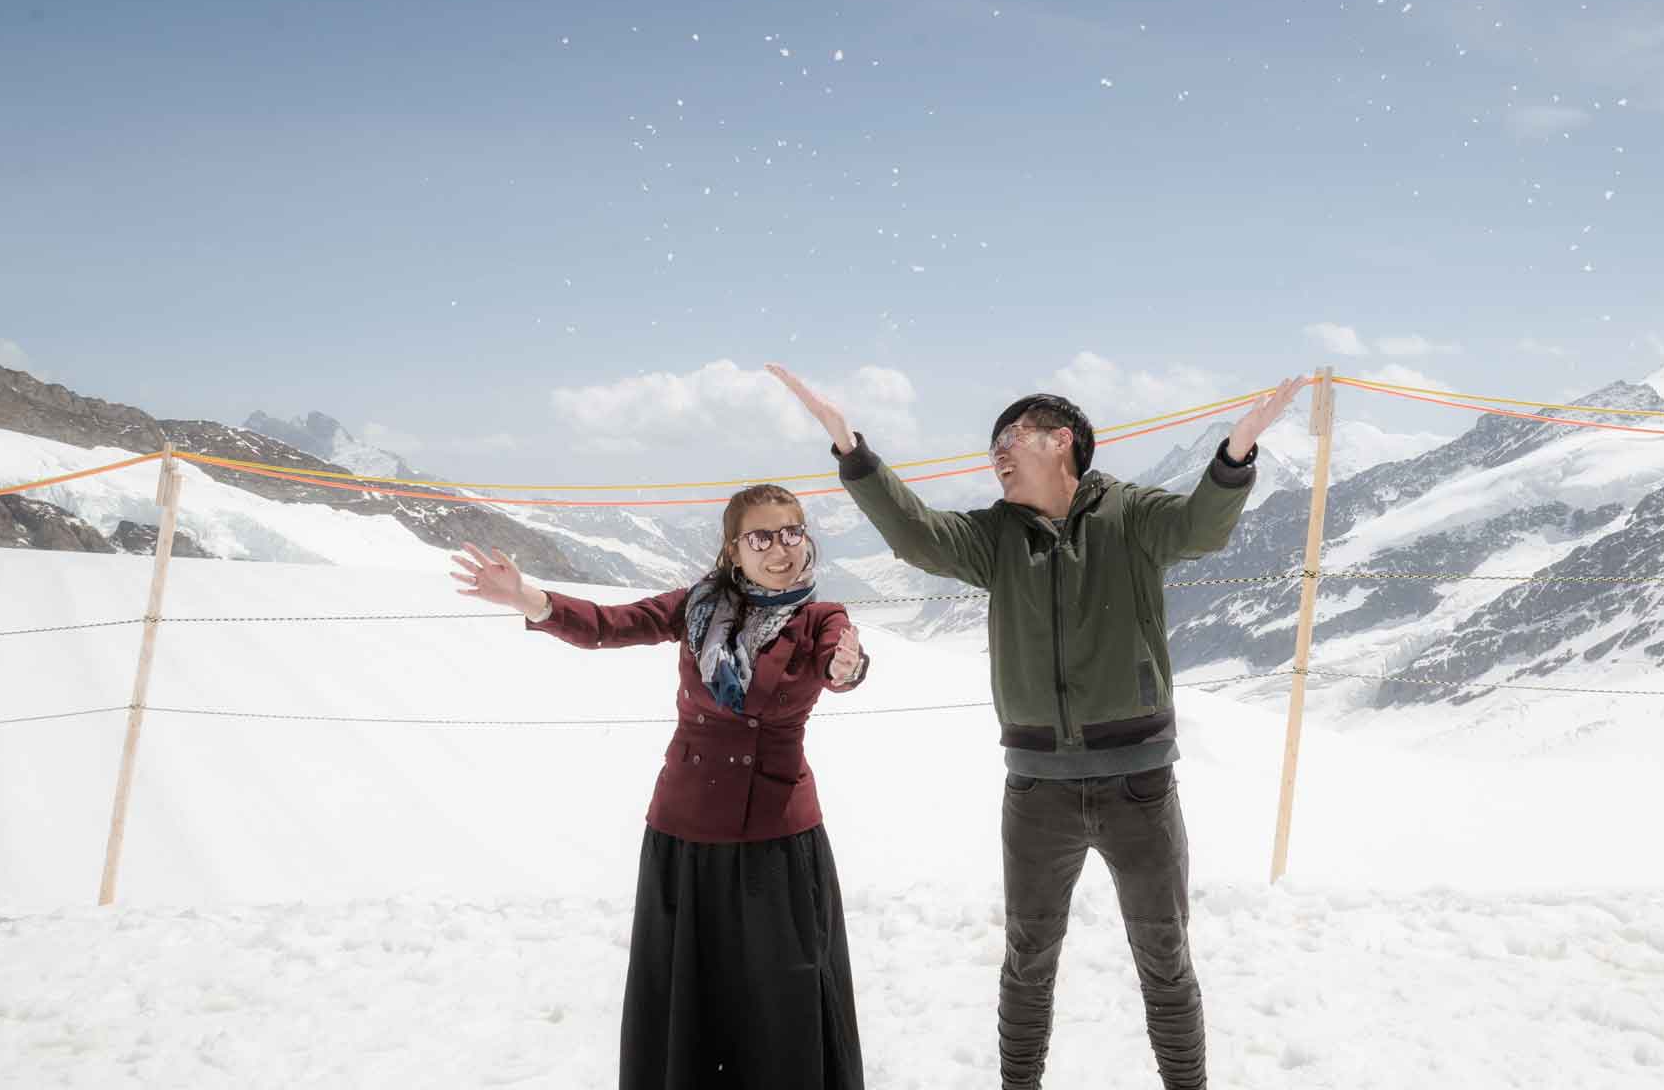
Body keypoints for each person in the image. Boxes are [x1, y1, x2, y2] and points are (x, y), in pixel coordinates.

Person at [769, 363, 1309, 1090]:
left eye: (1010, 436)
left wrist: (1235, 453)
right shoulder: (996, 537)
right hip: (1036, 791)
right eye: (992, 443)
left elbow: (1199, 529)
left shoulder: (1133, 515)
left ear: (1062, 442)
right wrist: (851, 451)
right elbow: (918, 537)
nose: (996, 451)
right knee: (1027, 960)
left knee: (1164, 956)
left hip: (1139, 784)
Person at [450, 483, 872, 1090]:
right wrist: (530, 597)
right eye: (761, 537)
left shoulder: (820, 618)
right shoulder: (696, 607)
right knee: (688, 989)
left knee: (783, 990)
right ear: (733, 550)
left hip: (777, 839)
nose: (780, 549)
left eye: (792, 533)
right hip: (685, 833)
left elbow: (843, 664)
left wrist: (847, 667)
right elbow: (609, 625)